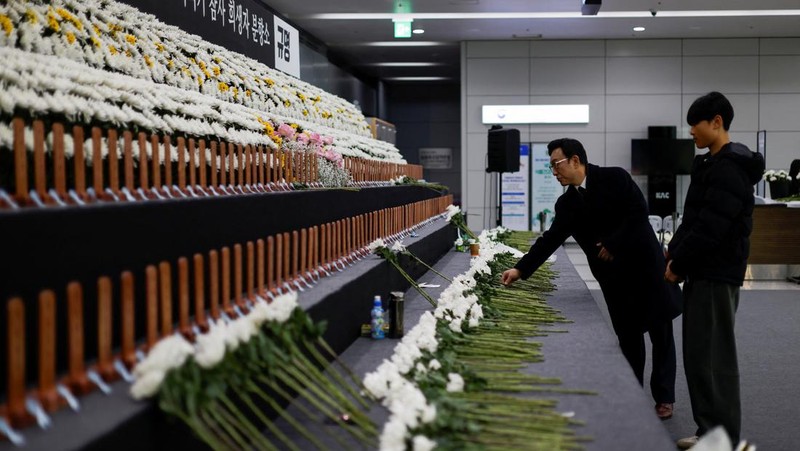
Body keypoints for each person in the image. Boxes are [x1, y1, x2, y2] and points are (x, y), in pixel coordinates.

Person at [501, 137, 682, 420]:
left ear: (575, 160)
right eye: (550, 167)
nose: (554, 172)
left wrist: (613, 243)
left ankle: (664, 397)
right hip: (613, 279)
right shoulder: (567, 203)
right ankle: (631, 392)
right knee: (628, 337)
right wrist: (520, 269)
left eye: (556, 164)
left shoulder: (614, 178)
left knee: (661, 334)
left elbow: (638, 213)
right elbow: (550, 239)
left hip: (645, 268)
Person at [665, 92, 765, 449]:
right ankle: (708, 431)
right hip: (700, 271)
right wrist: (673, 252)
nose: (691, 131)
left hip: (717, 273)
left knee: (715, 359)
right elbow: (693, 218)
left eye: (696, 123)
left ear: (717, 122)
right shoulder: (708, 163)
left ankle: (723, 439)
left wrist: (680, 263)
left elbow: (713, 226)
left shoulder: (731, 166)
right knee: (697, 356)